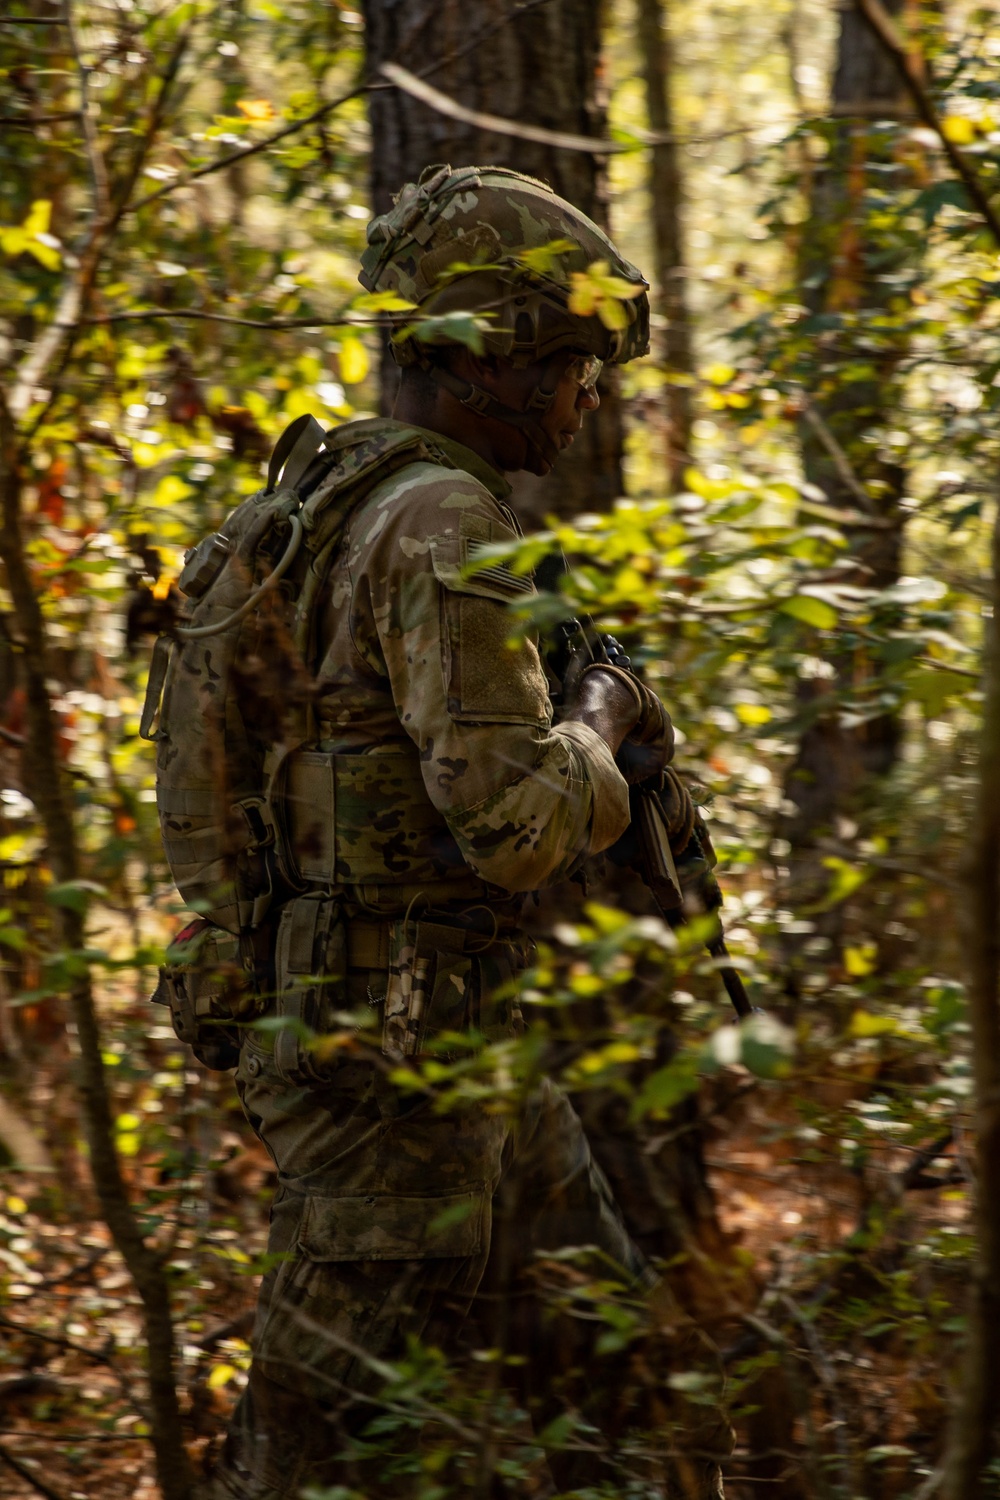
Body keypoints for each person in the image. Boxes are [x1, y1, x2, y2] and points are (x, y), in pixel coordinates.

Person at [197, 164, 725, 1499]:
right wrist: (601, 719)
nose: (586, 396)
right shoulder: (442, 523)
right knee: (306, 1458)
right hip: (394, 1085)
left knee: (604, 1391)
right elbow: (512, 828)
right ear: (497, 358)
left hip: (442, 1058)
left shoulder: (307, 510)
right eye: (575, 365)